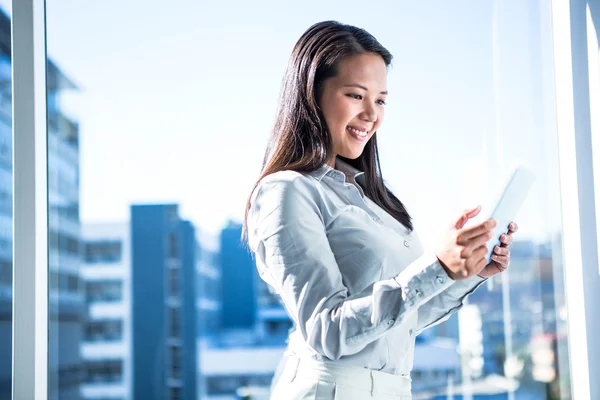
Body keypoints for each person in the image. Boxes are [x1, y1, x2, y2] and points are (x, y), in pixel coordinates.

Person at [243, 20, 518, 400]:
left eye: (381, 99)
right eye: (356, 95)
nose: (373, 114)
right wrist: (436, 266)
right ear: (311, 95)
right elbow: (327, 331)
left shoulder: (371, 200)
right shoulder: (287, 192)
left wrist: (466, 273)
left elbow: (401, 320)